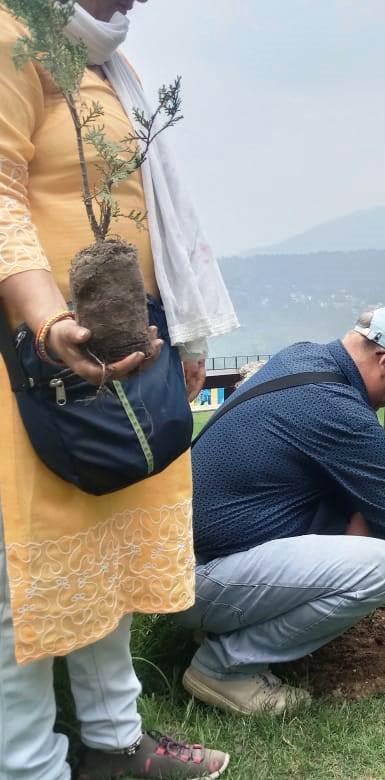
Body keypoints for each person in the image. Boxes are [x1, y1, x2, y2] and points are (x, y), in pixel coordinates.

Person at [0, 1, 236, 778]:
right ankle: (30, 764)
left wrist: (185, 332)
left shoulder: (111, 63)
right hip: (28, 359)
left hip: (120, 352)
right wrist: (48, 321)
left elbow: (150, 208)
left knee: (103, 550)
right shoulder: (9, 36)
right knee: (23, 572)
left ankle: (114, 743)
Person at [178, 307, 385, 715]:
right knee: (378, 566)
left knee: (357, 521)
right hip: (197, 581)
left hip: (175, 564)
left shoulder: (302, 357)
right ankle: (226, 666)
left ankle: (226, 627)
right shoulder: (343, 412)